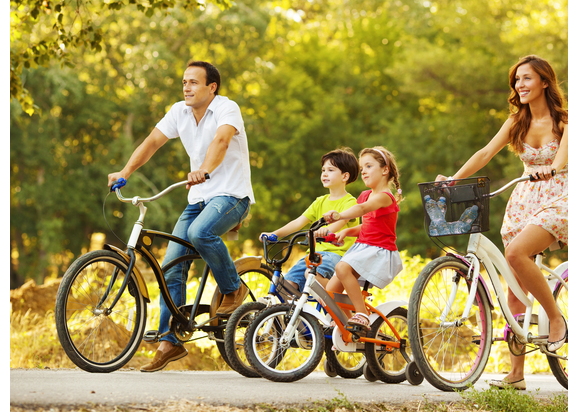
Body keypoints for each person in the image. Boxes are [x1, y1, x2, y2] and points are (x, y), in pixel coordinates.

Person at [435, 55, 568, 391]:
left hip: (559, 196)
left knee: (516, 253)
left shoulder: (566, 119)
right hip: (524, 199)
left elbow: (564, 153)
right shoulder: (516, 121)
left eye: (527, 78)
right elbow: (485, 152)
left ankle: (556, 318)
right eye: (517, 80)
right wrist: (454, 180)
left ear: (545, 81)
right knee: (513, 291)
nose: (520, 85)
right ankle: (516, 375)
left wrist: (554, 168)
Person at [106, 60, 255, 372]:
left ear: (211, 87)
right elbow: (152, 142)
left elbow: (222, 141)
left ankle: (233, 288)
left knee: (200, 233)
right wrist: (125, 171)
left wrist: (205, 170)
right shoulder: (179, 111)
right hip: (198, 199)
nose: (186, 87)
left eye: (193, 82)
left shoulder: (227, 109)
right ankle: (169, 341)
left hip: (231, 195)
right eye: (184, 82)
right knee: (171, 268)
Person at [322, 146, 404, 334]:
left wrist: (339, 216)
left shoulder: (385, 197)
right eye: (362, 168)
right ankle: (353, 327)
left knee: (341, 268)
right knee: (331, 290)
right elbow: (368, 226)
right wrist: (347, 231)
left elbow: (361, 210)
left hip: (379, 251)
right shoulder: (366, 195)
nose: (364, 171)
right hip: (364, 248)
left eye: (369, 166)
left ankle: (362, 313)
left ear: (385, 170)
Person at [258, 148, 361, 293]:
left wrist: (324, 231)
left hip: (336, 255)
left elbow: (340, 223)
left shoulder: (350, 202)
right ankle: (296, 315)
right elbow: (298, 222)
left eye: (330, 170)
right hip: (313, 254)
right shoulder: (320, 201)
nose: (324, 173)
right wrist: (274, 234)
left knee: (312, 275)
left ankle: (338, 302)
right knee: (286, 285)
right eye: (323, 170)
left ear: (344, 176)